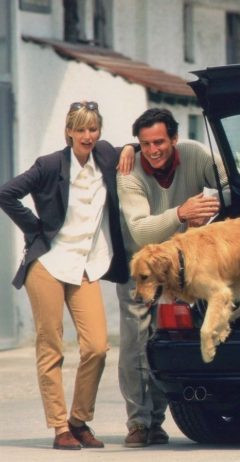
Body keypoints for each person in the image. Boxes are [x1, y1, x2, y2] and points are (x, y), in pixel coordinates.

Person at [0, 101, 133, 450]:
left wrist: (132, 146)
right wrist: (36, 230)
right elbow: (6, 193)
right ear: (69, 131)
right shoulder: (49, 165)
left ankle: (79, 419)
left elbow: (126, 149)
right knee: (52, 346)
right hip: (49, 264)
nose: (88, 135)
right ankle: (60, 426)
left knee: (97, 347)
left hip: (86, 265)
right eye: (81, 129)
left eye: (93, 129)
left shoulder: (104, 155)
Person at [116, 108, 227, 447]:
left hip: (181, 266)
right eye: (145, 143)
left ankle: (158, 422)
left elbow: (231, 183)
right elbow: (139, 229)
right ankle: (138, 423)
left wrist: (211, 214)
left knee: (166, 340)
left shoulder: (194, 153)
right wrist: (181, 213)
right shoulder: (129, 170)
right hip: (142, 266)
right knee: (136, 342)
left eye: (160, 142)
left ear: (174, 139)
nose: (153, 150)